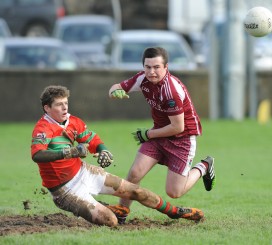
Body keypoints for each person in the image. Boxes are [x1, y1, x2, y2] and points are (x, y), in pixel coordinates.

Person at [31, 85, 205, 227]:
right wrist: (69, 152)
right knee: (110, 221)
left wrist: (103, 150)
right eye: (59, 104)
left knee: (137, 191)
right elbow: (38, 155)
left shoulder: (73, 121)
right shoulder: (43, 128)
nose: (64, 107)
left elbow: (92, 140)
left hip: (84, 173)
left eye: (66, 103)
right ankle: (107, 209)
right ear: (47, 108)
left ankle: (174, 212)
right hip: (65, 191)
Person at [108, 47, 216, 222]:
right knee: (135, 173)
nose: (151, 72)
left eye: (156, 67)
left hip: (182, 139)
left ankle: (204, 166)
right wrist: (115, 92)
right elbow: (116, 87)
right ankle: (122, 212)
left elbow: (177, 127)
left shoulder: (170, 91)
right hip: (158, 135)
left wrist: (148, 134)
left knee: (174, 192)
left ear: (166, 67)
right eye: (148, 67)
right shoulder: (142, 79)